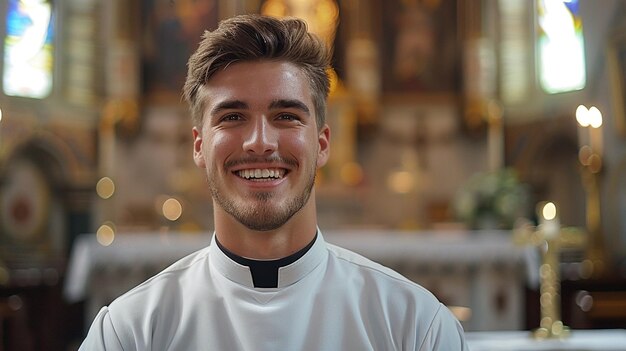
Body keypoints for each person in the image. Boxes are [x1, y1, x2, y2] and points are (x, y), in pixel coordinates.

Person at [80, 14, 468, 350]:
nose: (260, 143)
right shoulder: (130, 332)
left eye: (286, 116)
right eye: (232, 117)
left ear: (322, 143)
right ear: (199, 146)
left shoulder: (414, 327)